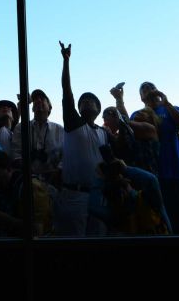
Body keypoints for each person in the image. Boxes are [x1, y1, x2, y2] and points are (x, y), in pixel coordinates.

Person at [54, 41, 108, 236]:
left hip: (99, 195)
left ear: (98, 109)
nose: (86, 101)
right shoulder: (74, 124)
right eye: (82, 101)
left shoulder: (104, 134)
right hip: (73, 196)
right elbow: (66, 91)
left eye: (91, 100)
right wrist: (66, 61)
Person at [134, 81, 179, 233]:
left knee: (178, 217)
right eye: (144, 89)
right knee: (153, 217)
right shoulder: (138, 114)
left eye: (151, 87)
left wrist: (167, 103)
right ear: (141, 97)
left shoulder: (172, 109)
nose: (149, 90)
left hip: (174, 171)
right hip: (150, 173)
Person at [0, 150, 53, 237]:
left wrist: (0, 218)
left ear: (8, 169)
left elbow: (37, 231)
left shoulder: (30, 188)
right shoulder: (3, 188)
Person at [89, 156, 170, 235]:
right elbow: (152, 180)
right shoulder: (146, 201)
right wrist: (125, 169)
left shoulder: (114, 216)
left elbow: (93, 207)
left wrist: (100, 178)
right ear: (128, 184)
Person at [11, 89, 64, 178]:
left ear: (50, 107)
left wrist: (57, 171)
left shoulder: (60, 130)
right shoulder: (20, 128)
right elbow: (15, 153)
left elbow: (65, 156)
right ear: (32, 109)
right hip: (27, 181)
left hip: (53, 182)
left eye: (42, 99)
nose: (38, 100)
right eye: (35, 99)